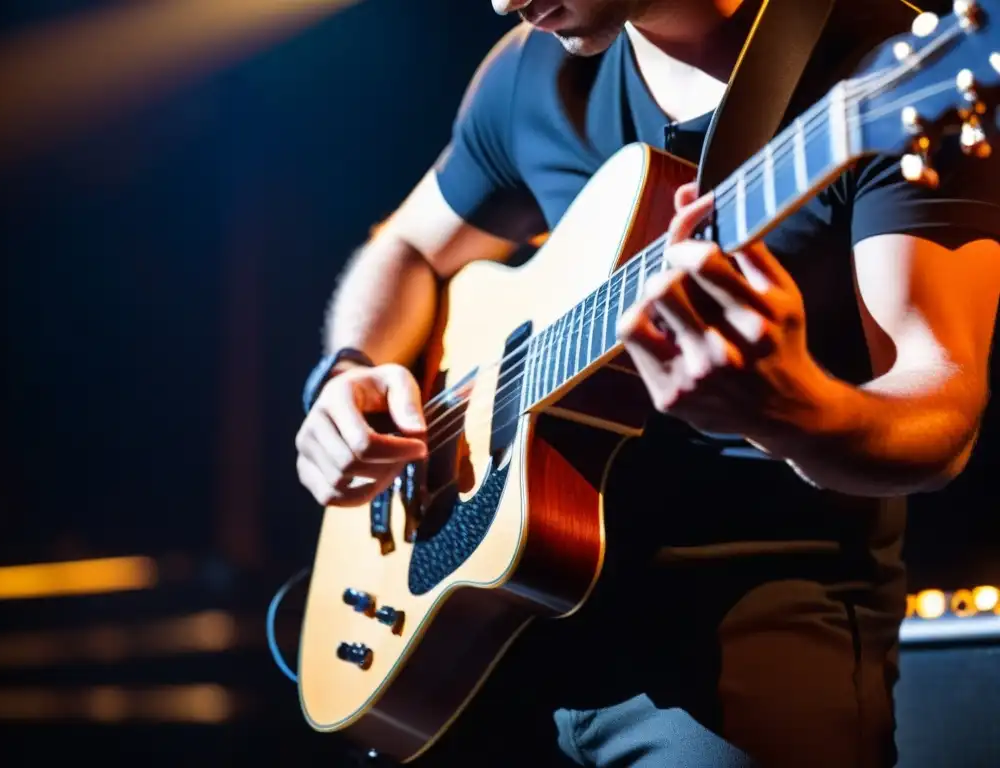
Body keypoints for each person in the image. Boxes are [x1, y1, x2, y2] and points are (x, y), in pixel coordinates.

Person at [293, 0, 1000, 765]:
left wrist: (793, 411)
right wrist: (351, 369)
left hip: (739, 646)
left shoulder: (881, 68)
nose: (500, 2)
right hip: (499, 643)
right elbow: (403, 247)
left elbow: (942, 416)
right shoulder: (532, 67)